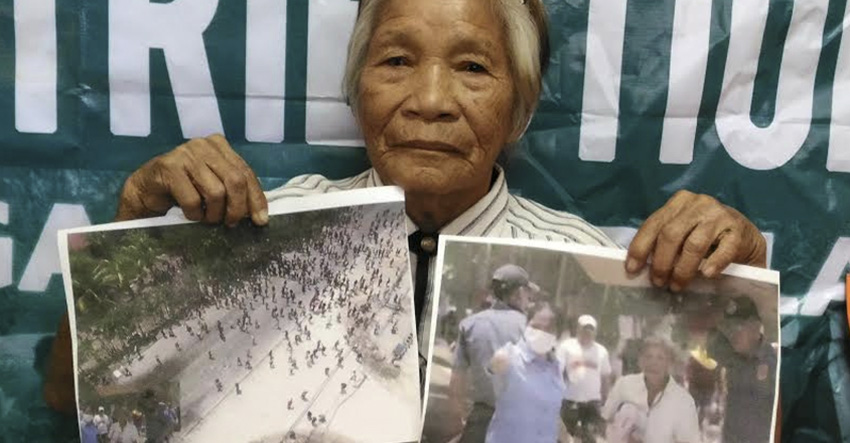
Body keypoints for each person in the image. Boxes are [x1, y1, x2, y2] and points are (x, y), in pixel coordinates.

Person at [44, 0, 769, 416]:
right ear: (358, 92)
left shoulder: (591, 259)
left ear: (518, 110)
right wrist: (126, 222)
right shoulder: (252, 229)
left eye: (473, 67)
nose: (428, 99)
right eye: (395, 62)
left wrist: (736, 288)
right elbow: (70, 396)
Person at [448, 264, 537, 442]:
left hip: (480, 420)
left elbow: (456, 380)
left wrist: (462, 416)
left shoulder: (470, 324)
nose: (529, 298)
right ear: (519, 293)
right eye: (528, 293)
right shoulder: (531, 328)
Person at [485, 302, 565, 443]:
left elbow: (552, 413)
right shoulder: (508, 357)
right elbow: (485, 381)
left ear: (558, 334)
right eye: (535, 326)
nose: (541, 332)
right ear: (526, 325)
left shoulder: (556, 367)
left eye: (548, 329)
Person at [601, 337, 701, 443]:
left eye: (660, 358)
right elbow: (606, 418)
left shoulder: (683, 401)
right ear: (640, 361)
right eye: (648, 357)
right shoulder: (624, 385)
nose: (653, 363)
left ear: (670, 364)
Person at [709, 296, 777, 443]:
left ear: (755, 327)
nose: (732, 333)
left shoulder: (775, 364)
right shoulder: (731, 360)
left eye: (738, 326)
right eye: (728, 327)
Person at [558, 315, 612, 443]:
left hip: (593, 401)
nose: (587, 332)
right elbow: (558, 371)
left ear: (595, 332)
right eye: (584, 329)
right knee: (564, 435)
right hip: (570, 398)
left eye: (590, 329)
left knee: (590, 437)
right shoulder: (566, 346)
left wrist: (606, 400)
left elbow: (605, 377)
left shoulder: (602, 351)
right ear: (578, 329)